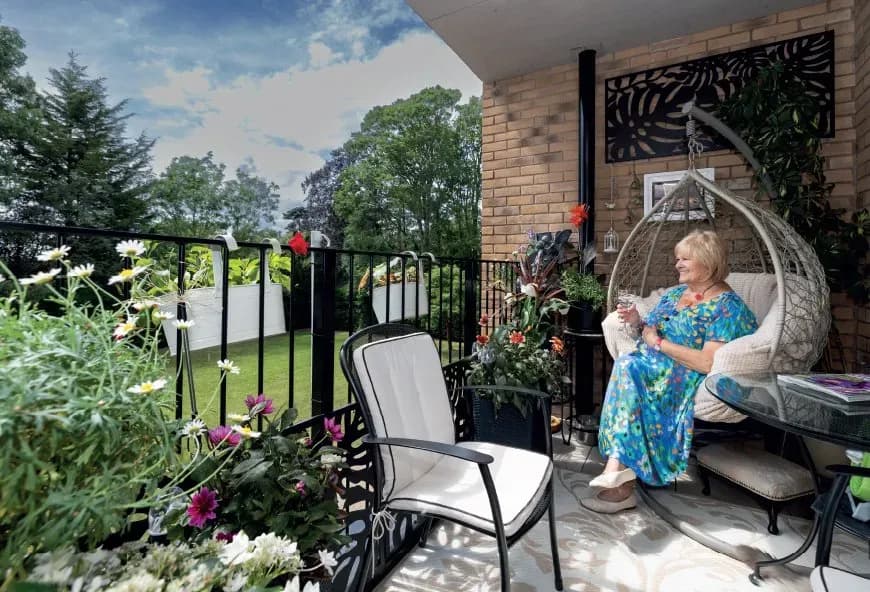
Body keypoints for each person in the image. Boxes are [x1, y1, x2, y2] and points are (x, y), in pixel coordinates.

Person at [581, 230, 758, 513]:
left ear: (708, 262)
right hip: (650, 363)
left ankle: (618, 476)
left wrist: (659, 344)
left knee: (628, 366)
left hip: (681, 373)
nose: (677, 264)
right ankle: (618, 474)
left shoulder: (727, 307)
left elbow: (706, 362)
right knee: (630, 366)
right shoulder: (677, 293)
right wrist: (638, 321)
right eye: (678, 258)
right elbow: (650, 329)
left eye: (685, 258)